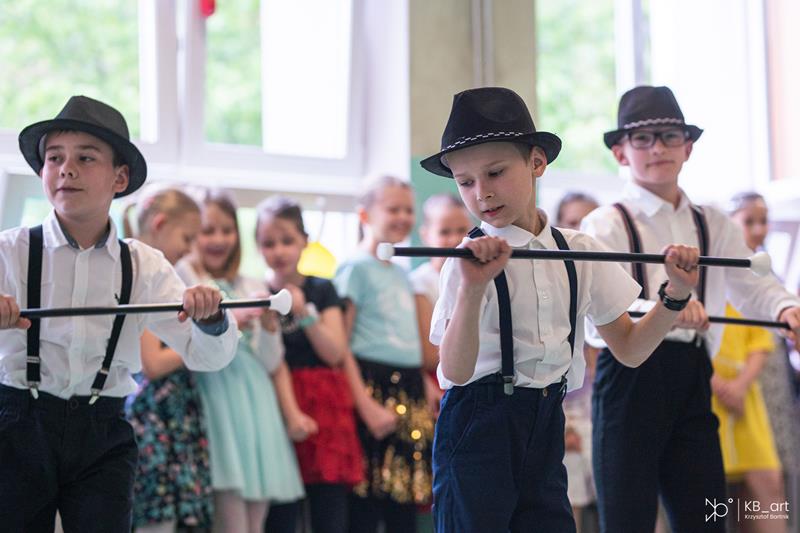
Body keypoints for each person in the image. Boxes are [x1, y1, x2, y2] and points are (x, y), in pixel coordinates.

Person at [420, 86, 703, 533]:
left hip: (546, 424)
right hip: (476, 429)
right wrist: (473, 289)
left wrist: (676, 294)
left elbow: (629, 349)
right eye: (465, 182)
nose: (481, 193)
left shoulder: (580, 250)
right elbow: (454, 371)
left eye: (495, 173)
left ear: (537, 162)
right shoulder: (465, 261)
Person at [0, 95, 237, 532]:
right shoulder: (8, 250)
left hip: (103, 431)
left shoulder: (145, 266)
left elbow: (207, 356)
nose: (66, 169)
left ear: (120, 177)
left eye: (85, 157)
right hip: (16, 425)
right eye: (55, 158)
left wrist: (211, 320)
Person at [580, 86, 800, 533]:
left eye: (669, 136)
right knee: (627, 520)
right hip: (629, 378)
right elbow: (596, 319)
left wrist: (786, 308)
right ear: (620, 153)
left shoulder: (713, 222)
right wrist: (669, 308)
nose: (657, 148)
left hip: (693, 375)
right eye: (642, 139)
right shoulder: (605, 223)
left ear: (688, 147)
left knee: (704, 516)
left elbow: (755, 282)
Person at [176, 189, 304, 533]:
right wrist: (236, 317)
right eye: (207, 231)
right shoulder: (187, 276)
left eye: (227, 230)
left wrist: (269, 326)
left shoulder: (251, 282)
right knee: (230, 516)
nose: (218, 239)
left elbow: (271, 361)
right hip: (217, 393)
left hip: (257, 399)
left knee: (255, 521)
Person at [256, 196, 363, 533]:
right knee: (281, 509)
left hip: (323, 405)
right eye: (269, 243)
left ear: (304, 240)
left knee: (327, 506)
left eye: (287, 240)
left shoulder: (321, 288)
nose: (279, 251)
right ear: (258, 247)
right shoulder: (256, 293)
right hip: (277, 402)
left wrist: (303, 313)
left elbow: (335, 353)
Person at [334, 176, 434, 533]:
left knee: (403, 499)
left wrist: (423, 382)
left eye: (408, 209)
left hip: (408, 389)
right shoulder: (355, 268)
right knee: (368, 499)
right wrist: (365, 405)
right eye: (393, 209)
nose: (403, 217)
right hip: (372, 386)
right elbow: (341, 344)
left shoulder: (402, 272)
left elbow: (402, 336)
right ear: (365, 215)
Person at [122, 185, 215, 533]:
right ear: (160, 224)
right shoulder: (141, 279)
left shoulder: (165, 278)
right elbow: (152, 363)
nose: (190, 249)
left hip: (173, 415)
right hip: (155, 417)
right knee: (157, 518)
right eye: (187, 238)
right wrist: (203, 343)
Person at [555, 191, 600, 533]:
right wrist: (564, 427)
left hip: (599, 409)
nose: (581, 231)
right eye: (573, 222)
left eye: (589, 222)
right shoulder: (554, 281)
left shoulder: (606, 280)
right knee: (568, 498)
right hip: (564, 411)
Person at [410, 193, 472, 411]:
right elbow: (429, 354)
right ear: (426, 235)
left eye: (461, 231)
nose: (454, 239)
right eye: (444, 232)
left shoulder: (478, 278)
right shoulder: (420, 283)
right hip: (441, 382)